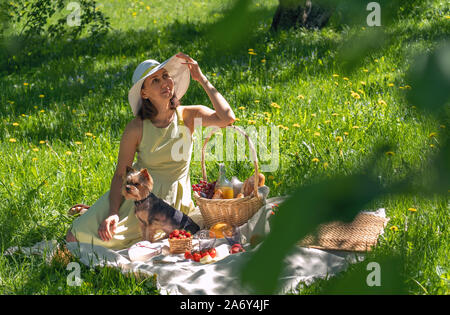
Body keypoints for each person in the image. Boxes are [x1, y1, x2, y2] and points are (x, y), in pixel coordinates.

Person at [66, 52, 236, 250]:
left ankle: (95, 213)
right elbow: (121, 175)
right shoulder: (136, 128)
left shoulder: (188, 116)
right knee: (75, 237)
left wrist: (201, 78)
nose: (164, 82)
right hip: (139, 198)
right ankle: (97, 212)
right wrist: (112, 212)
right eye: (155, 80)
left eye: (165, 76)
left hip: (171, 204)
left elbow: (227, 118)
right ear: (144, 93)